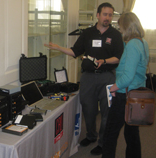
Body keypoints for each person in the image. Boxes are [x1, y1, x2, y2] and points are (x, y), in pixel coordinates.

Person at [44, 2, 124, 155]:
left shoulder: (115, 35)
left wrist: (105, 61)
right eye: (105, 14)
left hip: (107, 78)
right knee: (89, 109)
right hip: (87, 78)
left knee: (107, 112)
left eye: (110, 15)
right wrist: (59, 47)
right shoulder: (87, 33)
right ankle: (91, 135)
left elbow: (119, 58)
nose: (107, 18)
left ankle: (103, 142)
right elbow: (75, 51)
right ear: (98, 15)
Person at [102, 12, 149, 158]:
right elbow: (138, 73)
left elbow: (128, 76)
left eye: (121, 27)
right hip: (135, 94)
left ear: (127, 27)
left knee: (110, 134)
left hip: (125, 96)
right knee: (132, 134)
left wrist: (115, 88)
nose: (120, 30)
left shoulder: (133, 45)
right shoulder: (142, 42)